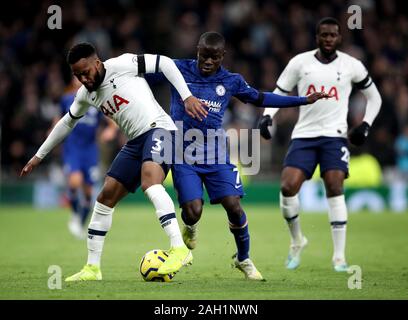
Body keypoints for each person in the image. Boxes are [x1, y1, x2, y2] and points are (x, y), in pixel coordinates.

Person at [146, 31, 329, 280]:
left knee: (233, 205)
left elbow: (261, 97)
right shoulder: (177, 69)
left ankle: (243, 258)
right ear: (197, 51)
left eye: (214, 57)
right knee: (193, 210)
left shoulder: (231, 81)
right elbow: (142, 68)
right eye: (204, 56)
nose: (208, 61)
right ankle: (190, 226)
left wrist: (303, 100)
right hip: (183, 154)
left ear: (223, 56)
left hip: (216, 155)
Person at [20, 42, 208, 281]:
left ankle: (179, 248)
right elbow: (67, 123)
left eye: (85, 72)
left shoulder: (122, 64)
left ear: (97, 63)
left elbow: (165, 63)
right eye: (77, 75)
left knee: (150, 182)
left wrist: (187, 96)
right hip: (135, 141)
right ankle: (92, 268)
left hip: (160, 130)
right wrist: (38, 156)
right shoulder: (85, 94)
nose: (83, 79)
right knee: (105, 197)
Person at [259, 17, 382, 272]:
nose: (328, 39)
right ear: (316, 37)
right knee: (287, 186)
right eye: (323, 35)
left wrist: (366, 124)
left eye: (333, 35)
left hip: (335, 135)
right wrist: (268, 116)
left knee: (335, 185)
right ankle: (297, 241)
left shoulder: (352, 65)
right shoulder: (299, 63)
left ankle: (339, 257)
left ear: (339, 38)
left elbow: (375, 97)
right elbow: (279, 93)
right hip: (304, 135)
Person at [58, 76, 117, 239]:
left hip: (90, 149)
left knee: (89, 191)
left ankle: (79, 223)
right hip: (73, 147)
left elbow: (110, 119)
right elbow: (59, 119)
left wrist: (110, 130)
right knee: (75, 181)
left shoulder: (95, 101)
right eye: (77, 78)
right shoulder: (66, 100)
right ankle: (75, 213)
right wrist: (53, 132)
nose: (80, 81)